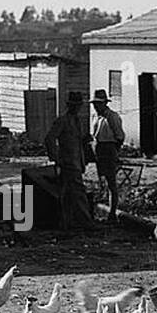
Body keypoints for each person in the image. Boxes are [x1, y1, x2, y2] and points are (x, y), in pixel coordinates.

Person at [44, 92, 95, 231]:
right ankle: (86, 222)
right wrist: (55, 158)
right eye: (74, 105)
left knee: (67, 195)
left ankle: (66, 223)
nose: (77, 108)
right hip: (68, 163)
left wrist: (85, 142)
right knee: (79, 193)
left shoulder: (77, 120)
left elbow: (77, 142)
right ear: (69, 106)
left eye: (78, 105)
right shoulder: (62, 120)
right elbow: (49, 138)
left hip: (77, 161)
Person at [90, 89, 125, 223]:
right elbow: (94, 135)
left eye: (98, 104)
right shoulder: (95, 117)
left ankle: (112, 213)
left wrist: (114, 151)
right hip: (99, 148)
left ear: (104, 103)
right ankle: (103, 211)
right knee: (101, 181)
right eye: (94, 104)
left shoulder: (112, 117)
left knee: (111, 183)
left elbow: (120, 136)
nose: (95, 106)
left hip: (109, 148)